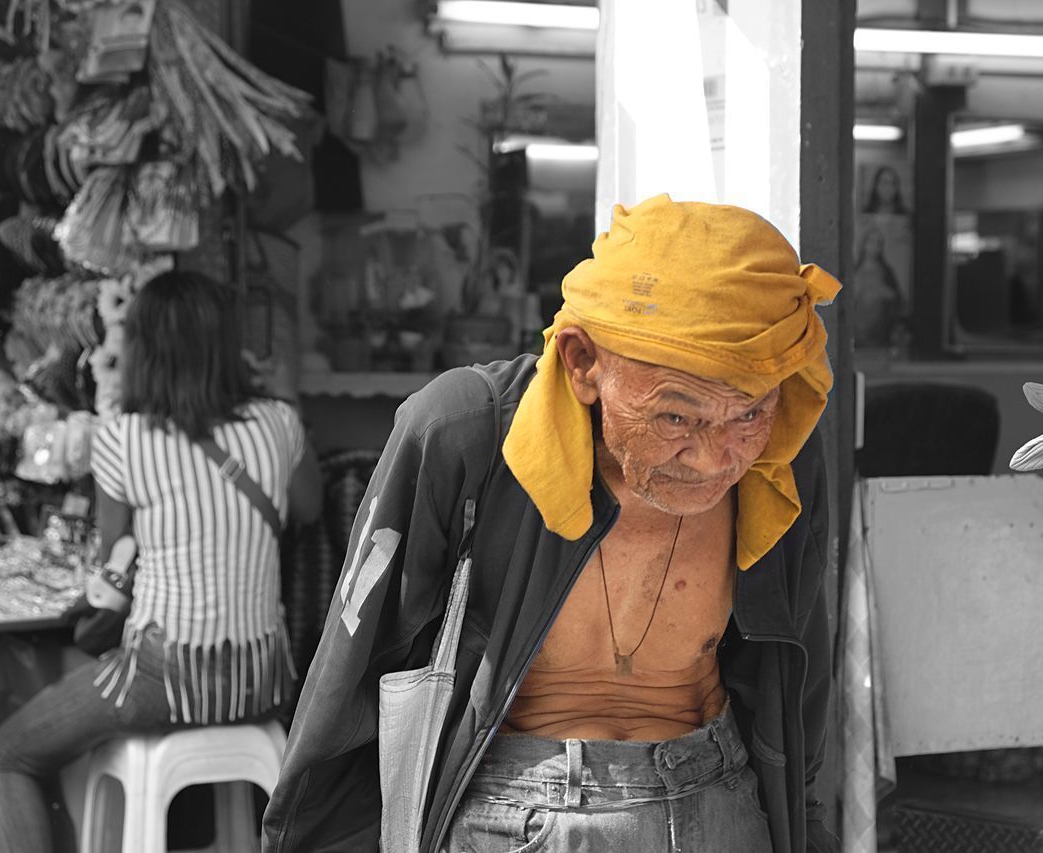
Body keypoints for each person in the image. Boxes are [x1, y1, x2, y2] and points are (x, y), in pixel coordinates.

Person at [263, 194, 840, 853]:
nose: (715, 460)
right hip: (516, 817)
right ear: (582, 362)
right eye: (676, 418)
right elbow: (351, 679)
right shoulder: (464, 432)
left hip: (720, 801)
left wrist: (807, 823)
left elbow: (800, 677)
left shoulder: (778, 455)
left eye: (747, 414)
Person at [0, 270, 323, 853]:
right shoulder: (278, 423)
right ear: (224, 344)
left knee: (10, 756)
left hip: (164, 680)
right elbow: (310, 509)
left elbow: (112, 563)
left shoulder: (122, 439)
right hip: (263, 681)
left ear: (141, 347)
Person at [853, 226, 904, 348]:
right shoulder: (855, 271)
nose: (874, 246)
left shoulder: (886, 272)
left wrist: (882, 292)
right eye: (871, 242)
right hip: (857, 326)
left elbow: (896, 297)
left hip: (879, 328)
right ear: (864, 244)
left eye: (878, 243)